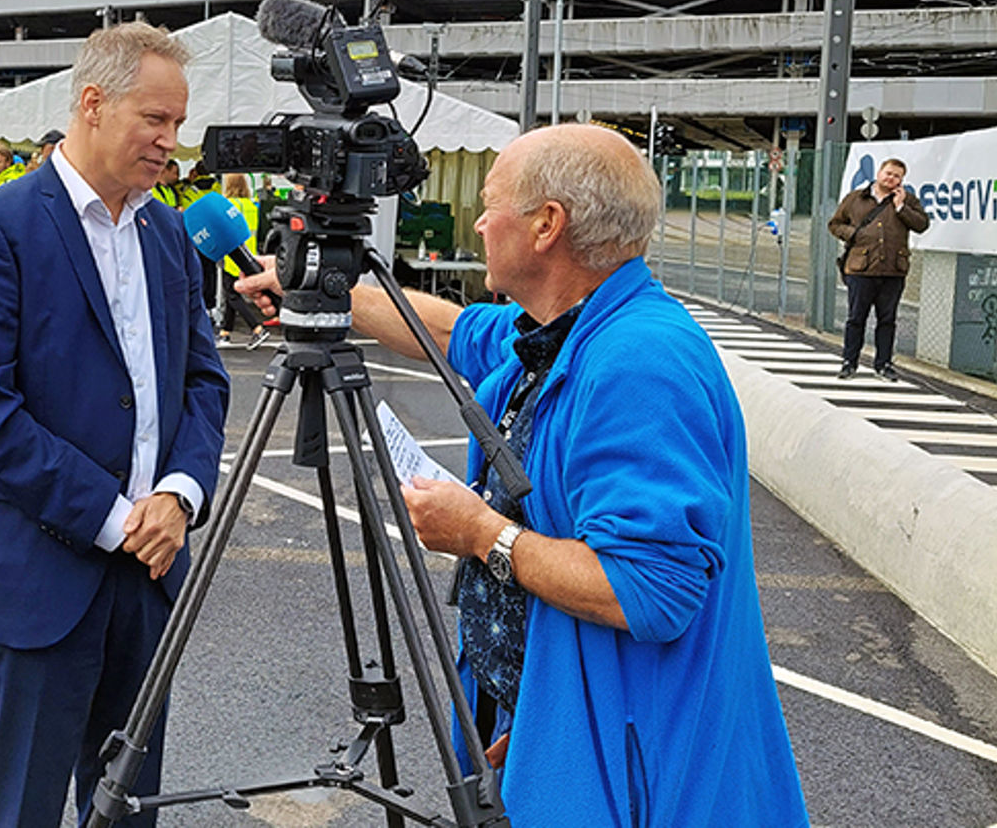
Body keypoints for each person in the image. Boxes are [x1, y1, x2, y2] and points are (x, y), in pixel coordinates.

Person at [237, 124, 809, 828]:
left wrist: (483, 534)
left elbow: (650, 591)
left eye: (490, 202)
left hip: (640, 780)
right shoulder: (557, 330)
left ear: (547, 225)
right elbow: (447, 332)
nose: (477, 221)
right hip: (563, 725)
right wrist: (321, 291)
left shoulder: (639, 363)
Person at [0, 22, 229, 828]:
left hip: (149, 571)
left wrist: (179, 493)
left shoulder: (166, 229)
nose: (172, 142)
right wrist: (113, 517)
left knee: (129, 809)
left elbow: (203, 377)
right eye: (155, 120)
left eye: (178, 123)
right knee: (23, 809)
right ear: (92, 104)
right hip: (38, 576)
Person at [828, 157, 928, 381]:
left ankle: (883, 364)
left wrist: (901, 208)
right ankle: (849, 362)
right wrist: (853, 234)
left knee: (887, 320)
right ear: (879, 172)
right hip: (861, 269)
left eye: (897, 176)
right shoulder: (856, 198)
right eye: (888, 173)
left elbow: (922, 224)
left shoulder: (908, 200)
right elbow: (834, 224)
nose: (891, 178)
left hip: (893, 270)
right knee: (856, 318)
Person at [215, 173, 268, 349]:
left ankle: (257, 328)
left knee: (231, 295)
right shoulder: (252, 204)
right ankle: (225, 331)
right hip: (250, 254)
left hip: (231, 256)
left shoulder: (229, 205)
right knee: (231, 294)